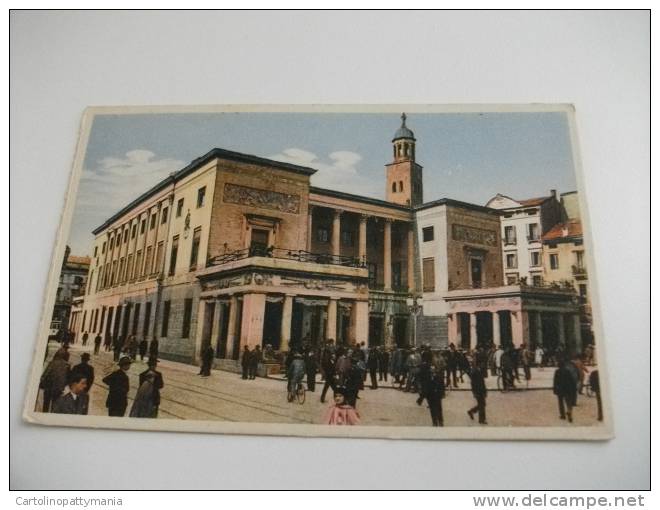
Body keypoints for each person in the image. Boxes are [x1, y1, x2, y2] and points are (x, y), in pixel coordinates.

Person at [553, 357, 578, 423]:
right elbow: (572, 380)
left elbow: (555, 381)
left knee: (560, 402)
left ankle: (562, 415)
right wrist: (574, 388)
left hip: (560, 389)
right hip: (567, 389)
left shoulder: (557, 371)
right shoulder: (568, 371)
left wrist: (555, 389)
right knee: (568, 402)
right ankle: (569, 411)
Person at [467, 360, 488, 425]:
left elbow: (482, 382)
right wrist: (475, 392)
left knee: (482, 404)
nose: (483, 365)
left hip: (481, 390)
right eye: (482, 364)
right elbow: (473, 384)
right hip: (478, 391)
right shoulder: (474, 371)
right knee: (482, 405)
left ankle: (471, 411)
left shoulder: (478, 370)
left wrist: (485, 391)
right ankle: (481, 420)